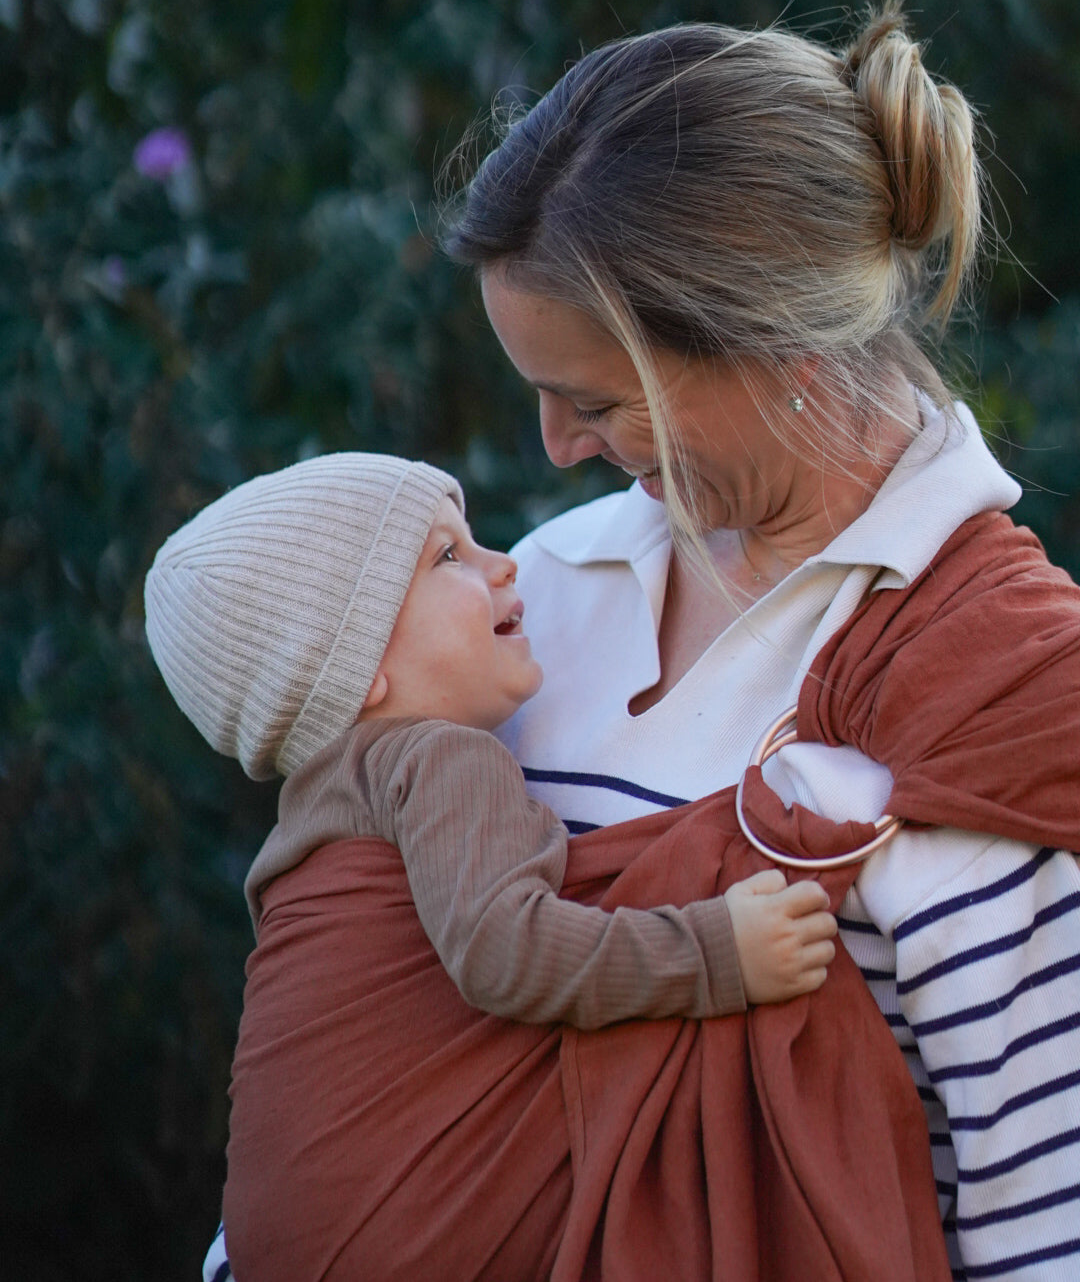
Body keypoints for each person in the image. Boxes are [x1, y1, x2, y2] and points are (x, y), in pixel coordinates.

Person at [196, 0, 1080, 1282]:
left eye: (592, 400)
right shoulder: (536, 598)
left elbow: (1043, 1226)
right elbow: (343, 1066)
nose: (554, 450)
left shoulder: (999, 687)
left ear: (766, 343)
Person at [144, 452, 837, 1276]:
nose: (504, 561)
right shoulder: (438, 759)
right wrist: (719, 954)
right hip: (406, 1234)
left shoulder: (313, 821)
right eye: (448, 557)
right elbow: (507, 951)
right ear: (361, 670)